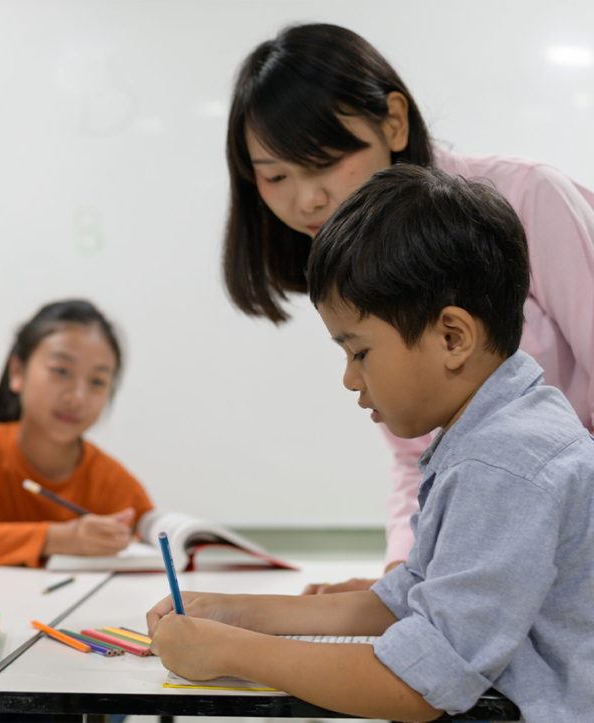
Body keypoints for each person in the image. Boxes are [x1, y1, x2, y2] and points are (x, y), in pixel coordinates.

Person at [149, 165, 594, 721]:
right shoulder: (497, 427)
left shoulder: (503, 463)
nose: (350, 379)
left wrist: (225, 650)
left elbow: (420, 685)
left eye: (359, 352)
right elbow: (410, 596)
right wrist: (241, 612)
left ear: (452, 337)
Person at [220, 22, 594, 592]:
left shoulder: (525, 197)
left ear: (393, 122)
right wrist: (403, 577)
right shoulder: (355, 257)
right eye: (275, 177)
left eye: (323, 163)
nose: (306, 199)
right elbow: (415, 455)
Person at [0, 299, 154, 567]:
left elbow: (155, 546)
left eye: (97, 381)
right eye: (61, 371)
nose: (77, 397)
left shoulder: (113, 483)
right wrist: (61, 539)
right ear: (17, 372)